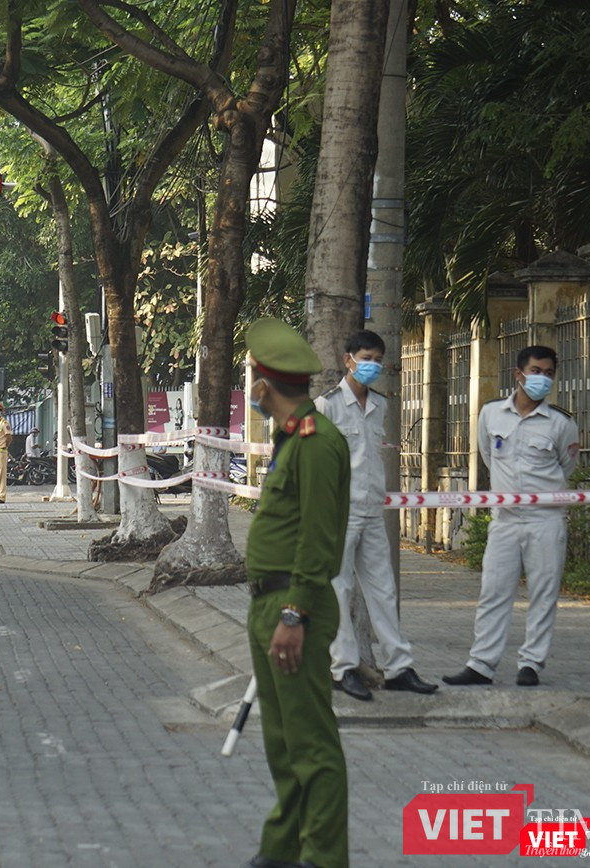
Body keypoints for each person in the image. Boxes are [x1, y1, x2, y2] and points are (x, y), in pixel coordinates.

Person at [243, 317, 351, 868]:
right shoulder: (290, 440)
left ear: (264, 385)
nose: (251, 391)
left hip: (293, 606)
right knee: (284, 745)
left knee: (311, 745)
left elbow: (318, 538)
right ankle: (282, 850)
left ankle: (323, 858)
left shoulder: (315, 443)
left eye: (252, 382)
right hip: (271, 604)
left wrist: (294, 613)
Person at [444, 345, 580, 688]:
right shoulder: (491, 415)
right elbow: (489, 456)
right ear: (518, 375)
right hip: (505, 520)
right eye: (536, 371)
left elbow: (567, 468)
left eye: (549, 373)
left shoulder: (562, 423)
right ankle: (481, 665)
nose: (542, 378)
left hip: (545, 520)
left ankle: (531, 664)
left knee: (543, 592)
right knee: (493, 591)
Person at [314, 330, 438, 701]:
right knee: (340, 590)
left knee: (383, 589)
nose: (372, 365)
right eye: (366, 357)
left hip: (371, 510)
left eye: (377, 360)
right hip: (340, 512)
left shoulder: (380, 405)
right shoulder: (327, 406)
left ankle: (400, 667)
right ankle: (343, 668)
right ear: (348, 358)